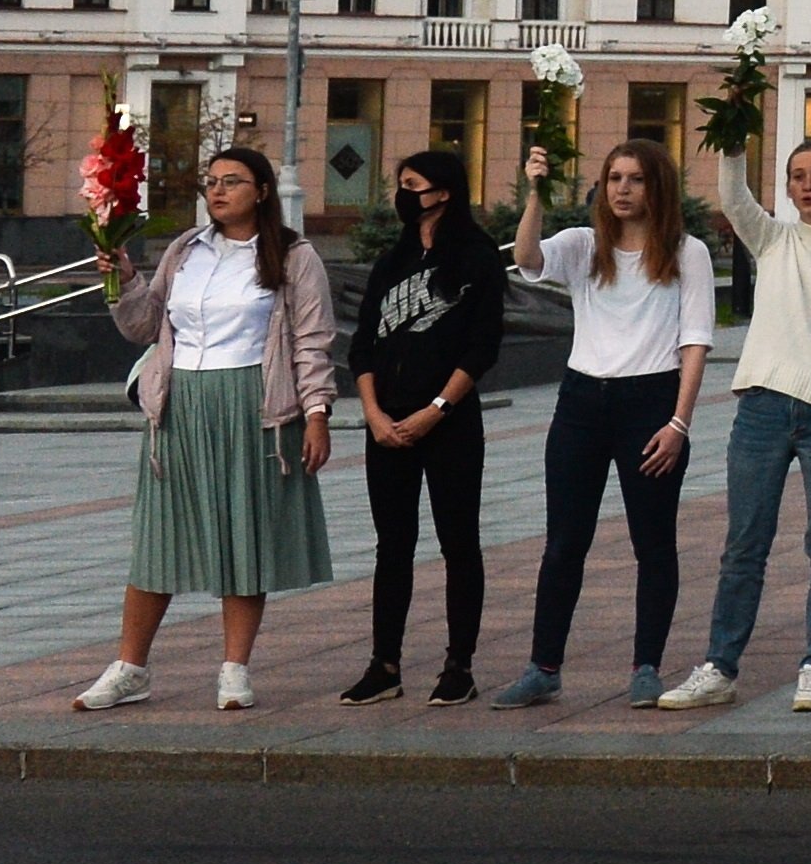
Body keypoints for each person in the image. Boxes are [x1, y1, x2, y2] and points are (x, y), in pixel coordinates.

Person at [73, 145, 335, 712]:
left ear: (261, 191)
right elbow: (146, 325)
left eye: (232, 182)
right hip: (180, 404)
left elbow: (312, 341)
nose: (217, 192)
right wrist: (121, 280)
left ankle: (235, 669)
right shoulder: (186, 250)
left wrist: (317, 413)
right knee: (158, 538)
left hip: (251, 404)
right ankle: (130, 668)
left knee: (245, 535)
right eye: (211, 182)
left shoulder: (292, 256)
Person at [661, 130, 811, 713]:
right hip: (762, 407)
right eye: (797, 176)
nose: (807, 185)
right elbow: (735, 196)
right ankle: (720, 666)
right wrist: (734, 142)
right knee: (744, 543)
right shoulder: (773, 239)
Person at [485, 137, 714, 708]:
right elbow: (529, 258)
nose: (622, 190)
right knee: (564, 541)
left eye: (635, 179)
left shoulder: (687, 253)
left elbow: (695, 343)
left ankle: (646, 666)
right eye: (614, 178)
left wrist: (678, 424)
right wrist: (534, 191)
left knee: (653, 543)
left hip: (652, 403)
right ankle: (544, 665)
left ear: (656, 186)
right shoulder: (585, 245)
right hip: (582, 403)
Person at [335, 147, 508, 704]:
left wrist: (437, 409)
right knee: (394, 545)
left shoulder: (477, 259)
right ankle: (384, 664)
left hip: (447, 423)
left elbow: (482, 347)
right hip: (386, 425)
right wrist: (374, 413)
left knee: (459, 542)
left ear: (444, 192)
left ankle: (459, 666)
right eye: (402, 185)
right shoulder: (392, 262)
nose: (404, 195)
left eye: (414, 185)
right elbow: (363, 346)